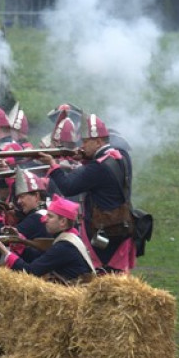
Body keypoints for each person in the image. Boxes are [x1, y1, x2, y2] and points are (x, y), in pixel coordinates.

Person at [43, 114, 136, 273]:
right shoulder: (121, 155)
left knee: (100, 275)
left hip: (104, 228)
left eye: (86, 142)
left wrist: (53, 165)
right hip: (122, 224)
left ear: (98, 142)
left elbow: (68, 187)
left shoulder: (98, 167)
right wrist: (85, 159)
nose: (82, 145)